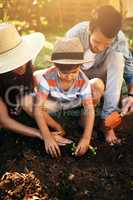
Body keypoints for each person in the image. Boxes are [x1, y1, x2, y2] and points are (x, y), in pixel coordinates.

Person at [65, 5, 133, 145]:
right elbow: (63, 71)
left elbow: (130, 73)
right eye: (97, 42)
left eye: (106, 44)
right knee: (95, 86)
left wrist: (131, 96)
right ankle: (83, 124)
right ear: (90, 29)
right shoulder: (75, 35)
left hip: (102, 79)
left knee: (118, 58)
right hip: (76, 78)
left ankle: (106, 122)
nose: (100, 48)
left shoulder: (118, 39)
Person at [0, 22, 71, 155]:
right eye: (14, 62)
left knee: (29, 96)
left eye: (22, 59)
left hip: (21, 106)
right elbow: (5, 121)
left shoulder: (27, 64)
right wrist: (42, 135)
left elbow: (32, 100)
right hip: (7, 115)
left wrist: (56, 126)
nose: (21, 66)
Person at [34, 37, 104, 157]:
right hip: (54, 103)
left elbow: (89, 109)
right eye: (64, 73)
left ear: (80, 66)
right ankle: (56, 125)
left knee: (96, 87)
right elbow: (38, 109)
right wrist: (47, 137)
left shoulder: (83, 80)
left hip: (73, 102)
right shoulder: (48, 77)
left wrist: (86, 138)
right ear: (55, 66)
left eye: (74, 72)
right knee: (32, 103)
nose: (69, 77)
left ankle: (81, 125)